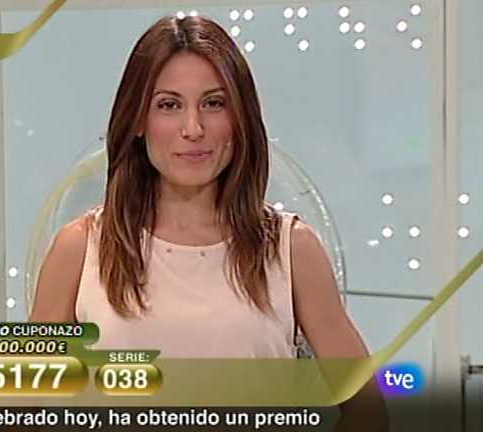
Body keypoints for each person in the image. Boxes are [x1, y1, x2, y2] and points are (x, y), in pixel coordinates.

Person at [30, 13, 388, 430]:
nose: (193, 128)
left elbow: (368, 414)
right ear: (138, 120)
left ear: (239, 118)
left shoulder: (292, 249)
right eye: (169, 105)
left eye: (214, 103)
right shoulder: (80, 249)